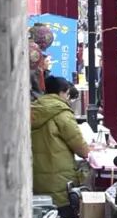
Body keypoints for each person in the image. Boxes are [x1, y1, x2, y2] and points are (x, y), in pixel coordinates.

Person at [31, 76, 90, 208]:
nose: (67, 98)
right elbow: (80, 147)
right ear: (62, 92)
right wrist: (88, 151)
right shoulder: (62, 113)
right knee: (63, 214)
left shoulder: (34, 110)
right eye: (67, 94)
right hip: (60, 181)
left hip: (36, 178)